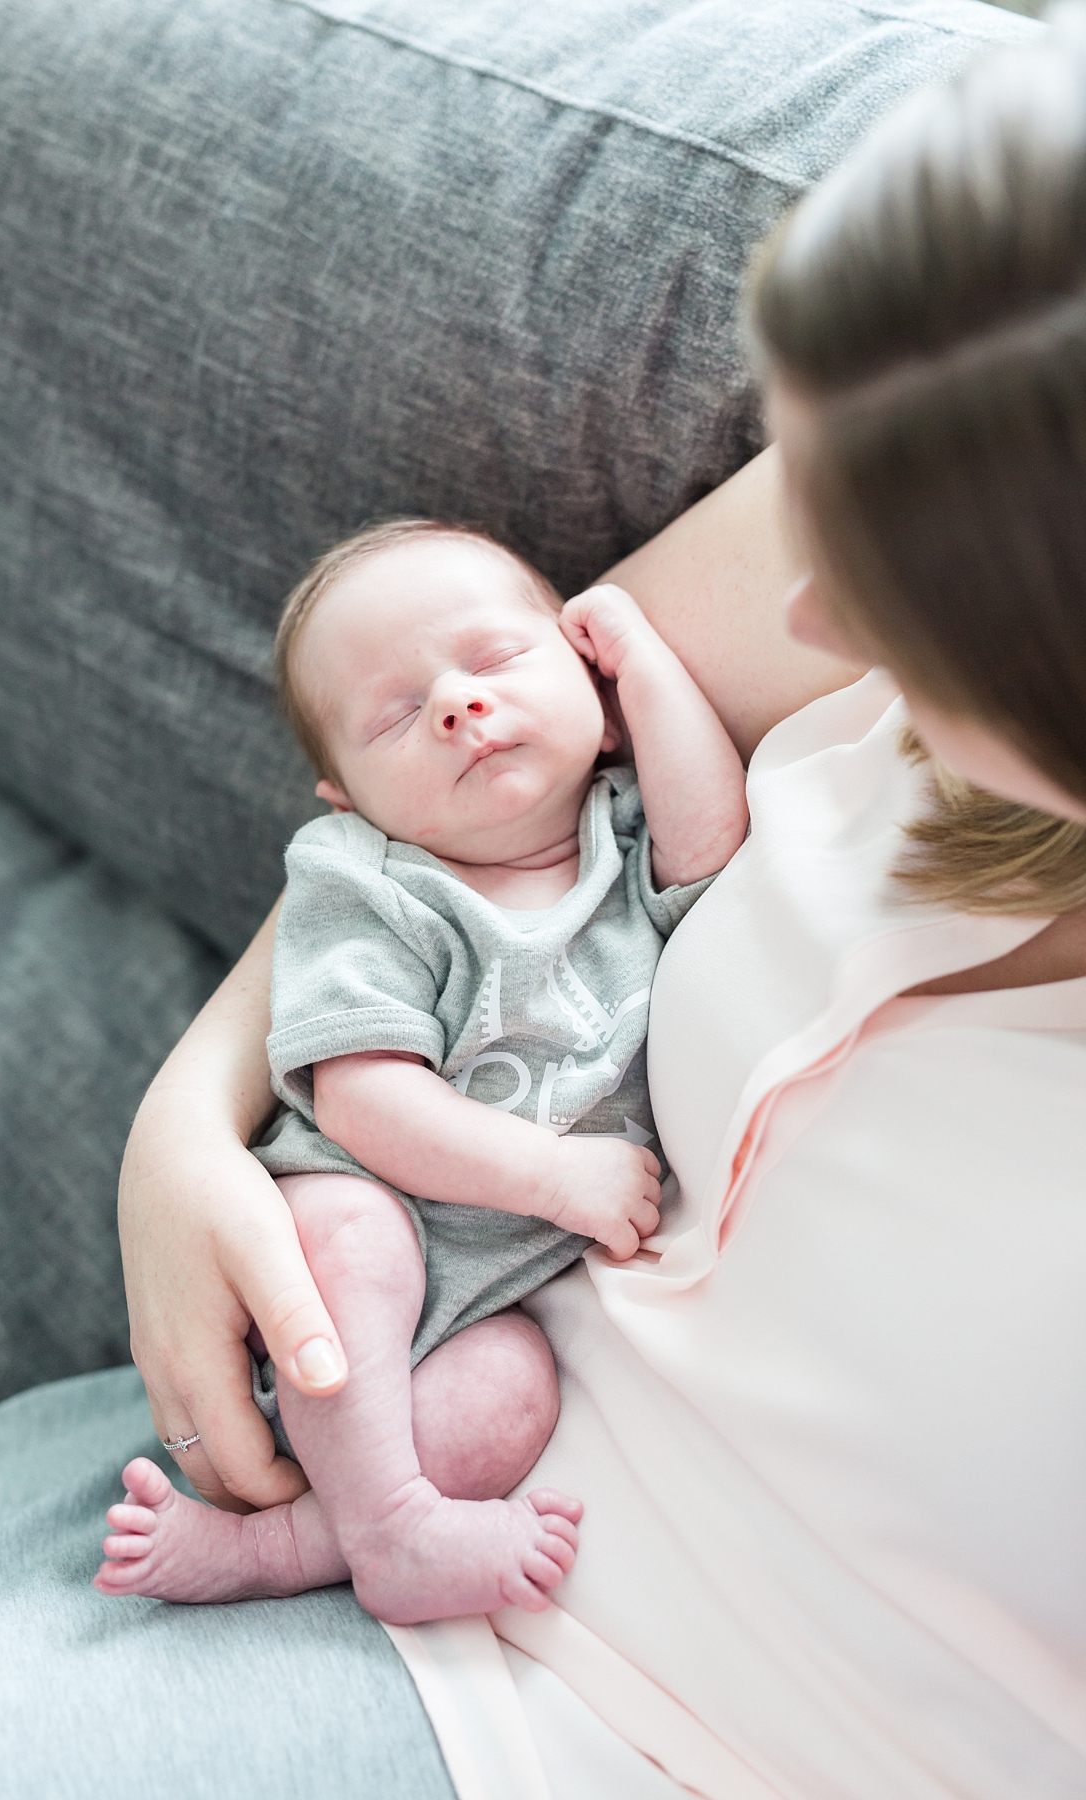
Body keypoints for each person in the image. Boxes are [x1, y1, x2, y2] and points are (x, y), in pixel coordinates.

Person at [110, 13, 1085, 1793]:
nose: (806, 628)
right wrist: (184, 1115)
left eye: (886, 591)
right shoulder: (978, 393)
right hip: (395, 1428)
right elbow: (453, 796)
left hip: (666, 1726)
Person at [93, 519, 748, 1621]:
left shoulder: (624, 833)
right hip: (340, 1262)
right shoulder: (373, 889)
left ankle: (296, 1545)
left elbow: (716, 839)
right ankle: (391, 1520)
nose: (457, 704)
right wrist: (550, 1177)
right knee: (355, 1231)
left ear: (590, 695)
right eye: (399, 716)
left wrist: (643, 663)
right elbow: (364, 1098)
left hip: (470, 1314)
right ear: (345, 799)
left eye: (496, 662)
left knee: (514, 1392)